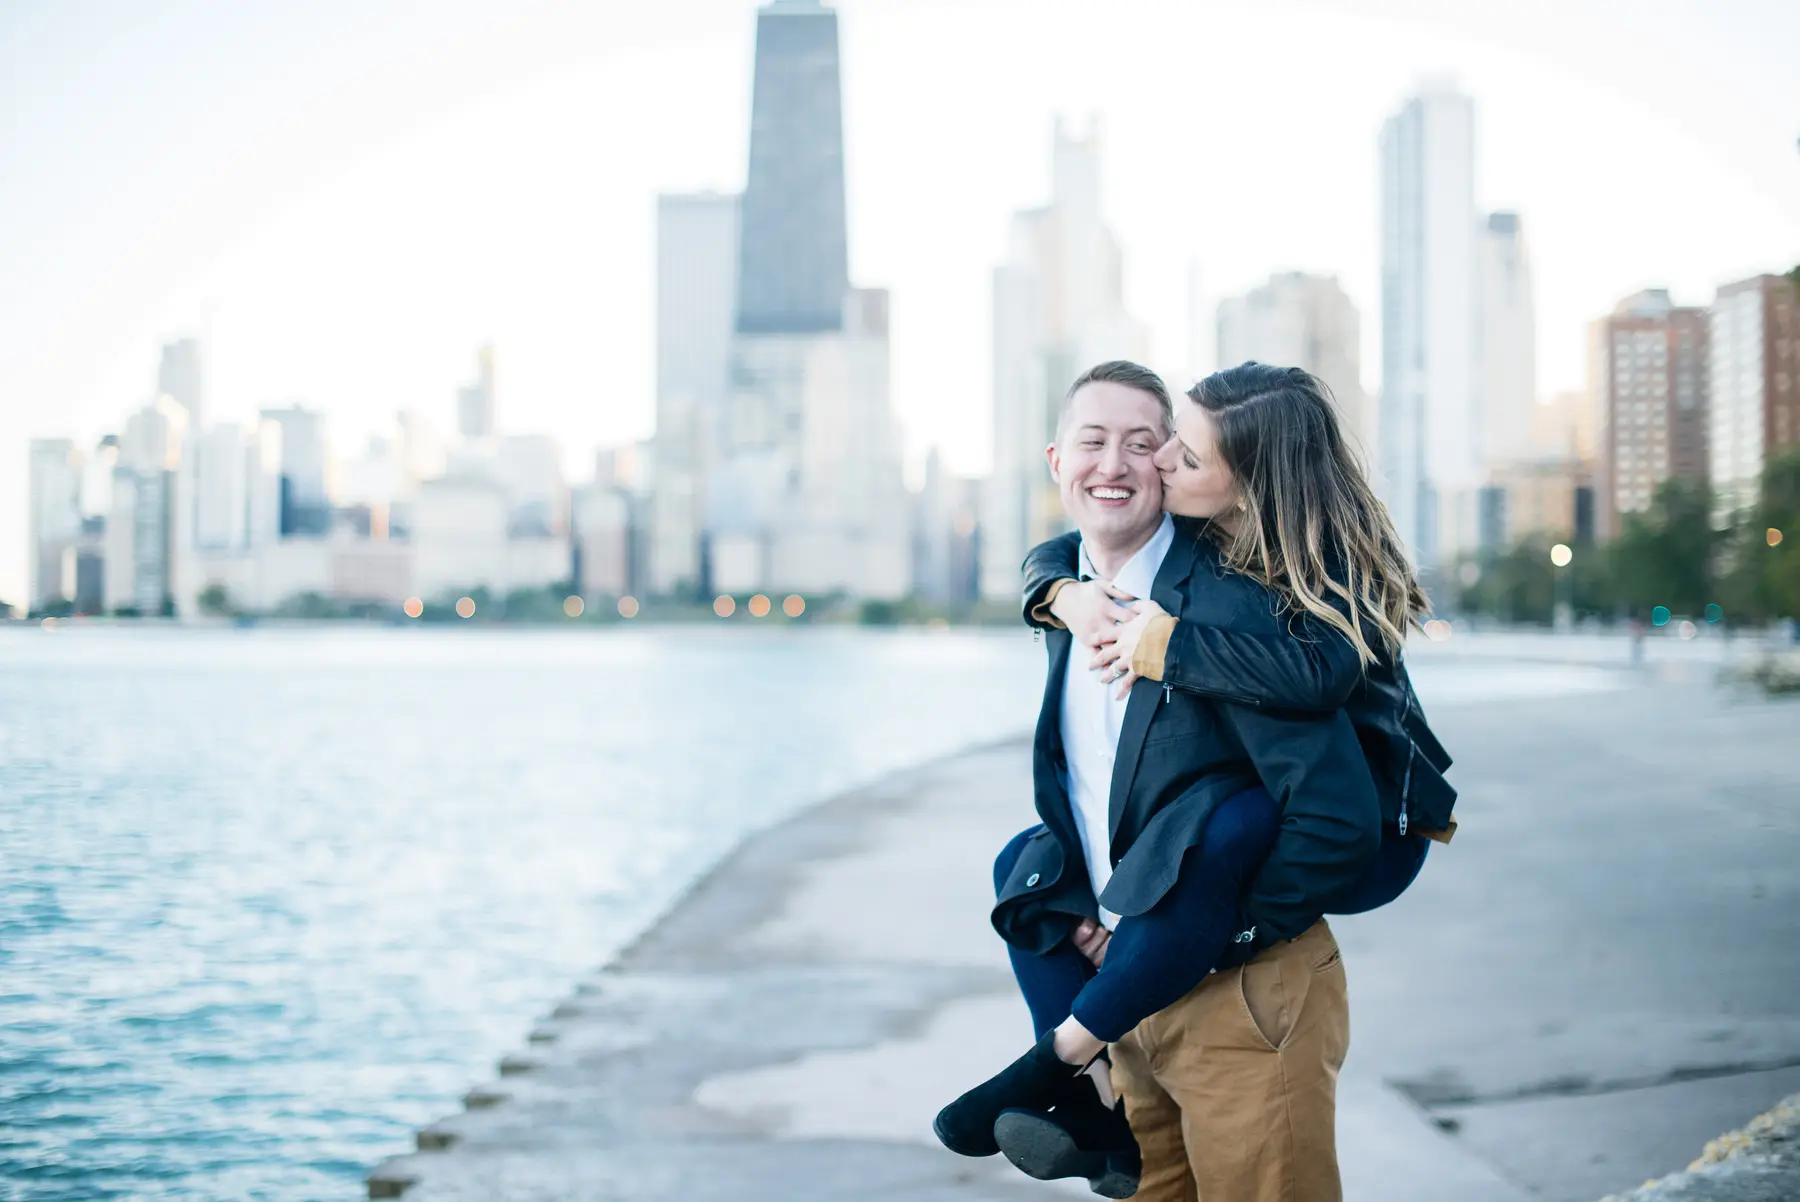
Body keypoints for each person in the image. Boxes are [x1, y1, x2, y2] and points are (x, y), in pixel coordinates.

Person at [934, 361, 1448, 1201]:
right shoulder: (1075, 594)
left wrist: (1214, 938)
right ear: (1056, 462)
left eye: (1148, 445)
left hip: (1238, 991)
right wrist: (1060, 593)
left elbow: (1332, 818)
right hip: (1125, 992)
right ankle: (1080, 1089)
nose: (1123, 465)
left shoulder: (1241, 600)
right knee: (1023, 863)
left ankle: (1048, 1068)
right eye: (1093, 443)